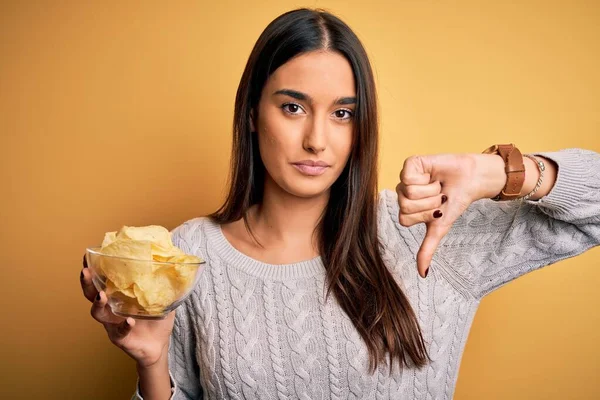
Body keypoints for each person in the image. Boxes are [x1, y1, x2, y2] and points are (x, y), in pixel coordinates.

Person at [79, 8, 600, 400]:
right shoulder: (189, 254)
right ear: (252, 115)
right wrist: (151, 366)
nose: (317, 140)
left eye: (343, 113)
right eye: (292, 107)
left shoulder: (424, 227)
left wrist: (501, 170)